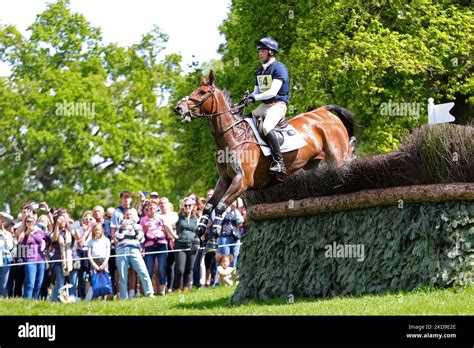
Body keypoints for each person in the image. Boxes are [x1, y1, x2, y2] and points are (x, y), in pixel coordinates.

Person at [241, 37, 290, 174]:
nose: (259, 54)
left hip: (277, 104)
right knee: (245, 122)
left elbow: (273, 91)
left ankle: (279, 163)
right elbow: (256, 92)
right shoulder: (260, 71)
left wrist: (254, 97)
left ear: (271, 52)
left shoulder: (279, 68)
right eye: (259, 51)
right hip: (264, 105)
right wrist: (248, 98)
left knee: (267, 127)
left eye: (262, 51)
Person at [115, 208, 154, 299]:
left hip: (134, 249)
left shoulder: (138, 226)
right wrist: (121, 229)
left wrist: (135, 228)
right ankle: (124, 297)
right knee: (123, 275)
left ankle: (149, 293)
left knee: (143, 271)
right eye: (127, 214)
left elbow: (141, 239)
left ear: (134, 216)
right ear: (124, 216)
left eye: (131, 214)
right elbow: (118, 238)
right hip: (122, 250)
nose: (129, 216)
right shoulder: (120, 226)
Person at [140, 200, 175, 295]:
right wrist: (146, 227)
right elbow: (141, 234)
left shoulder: (161, 218)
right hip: (149, 245)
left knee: (161, 268)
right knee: (149, 269)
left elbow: (167, 232)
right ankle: (149, 290)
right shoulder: (143, 220)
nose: (151, 209)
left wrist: (164, 225)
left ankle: (162, 290)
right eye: (149, 207)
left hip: (161, 244)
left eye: (153, 207)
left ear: (156, 209)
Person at [50, 212, 82, 302]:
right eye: (60, 220)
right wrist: (56, 225)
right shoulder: (55, 231)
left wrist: (72, 224)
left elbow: (78, 237)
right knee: (60, 282)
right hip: (59, 260)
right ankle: (57, 299)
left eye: (64, 219)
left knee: (73, 282)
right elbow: (54, 239)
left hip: (72, 258)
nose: (62, 222)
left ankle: (72, 299)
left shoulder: (71, 229)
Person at [18, 215, 49, 299]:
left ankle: (34, 302)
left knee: (39, 283)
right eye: (28, 221)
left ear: (34, 222)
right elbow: (21, 247)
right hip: (30, 259)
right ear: (25, 223)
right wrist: (27, 235)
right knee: (30, 284)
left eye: (32, 221)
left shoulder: (40, 231)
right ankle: (27, 302)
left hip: (41, 259)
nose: (30, 223)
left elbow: (49, 239)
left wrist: (45, 248)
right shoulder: (23, 233)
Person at [173, 197, 199, 292]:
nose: (187, 207)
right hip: (180, 245)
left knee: (190, 268)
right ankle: (177, 289)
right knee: (180, 269)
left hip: (193, 245)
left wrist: (199, 238)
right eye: (185, 205)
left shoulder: (195, 218)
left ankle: (186, 289)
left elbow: (203, 227)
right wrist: (174, 235)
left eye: (189, 205)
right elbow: (166, 223)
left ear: (193, 207)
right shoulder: (178, 216)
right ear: (182, 206)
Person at [215, 200, 243, 268]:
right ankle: (223, 276)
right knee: (225, 259)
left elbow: (241, 221)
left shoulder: (236, 211)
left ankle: (233, 276)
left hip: (235, 237)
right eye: (232, 201)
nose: (233, 203)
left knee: (234, 258)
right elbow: (218, 220)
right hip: (224, 237)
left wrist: (235, 210)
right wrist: (226, 210)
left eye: (235, 202)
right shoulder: (222, 210)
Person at [159, 197, 178, 292]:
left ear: (168, 204)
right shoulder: (158, 216)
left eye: (164, 203)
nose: (163, 205)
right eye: (161, 203)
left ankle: (171, 287)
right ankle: (163, 286)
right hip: (162, 241)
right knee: (163, 266)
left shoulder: (174, 215)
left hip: (173, 241)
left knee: (171, 265)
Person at [87, 224, 111, 299]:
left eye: (98, 229)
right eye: (95, 230)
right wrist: (94, 264)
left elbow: (108, 253)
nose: (97, 231)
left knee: (105, 279)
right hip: (95, 261)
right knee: (94, 279)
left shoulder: (106, 240)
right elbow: (89, 254)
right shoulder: (91, 241)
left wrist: (104, 264)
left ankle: (105, 297)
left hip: (104, 261)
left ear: (102, 231)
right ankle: (92, 297)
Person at [0, 213, 14, 297]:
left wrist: (4, 235)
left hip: (5, 258)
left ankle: (3, 300)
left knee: (4, 283)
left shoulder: (7, 234)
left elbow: (9, 247)